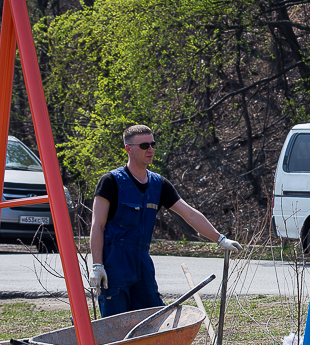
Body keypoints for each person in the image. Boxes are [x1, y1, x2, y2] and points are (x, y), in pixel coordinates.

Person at [89, 125, 242, 317]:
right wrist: (97, 265)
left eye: (152, 144)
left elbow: (190, 214)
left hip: (142, 263)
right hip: (114, 264)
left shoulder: (158, 184)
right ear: (128, 148)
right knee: (116, 323)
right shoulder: (110, 181)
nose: (150, 149)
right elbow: (98, 225)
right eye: (144, 145)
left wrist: (220, 239)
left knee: (155, 317)